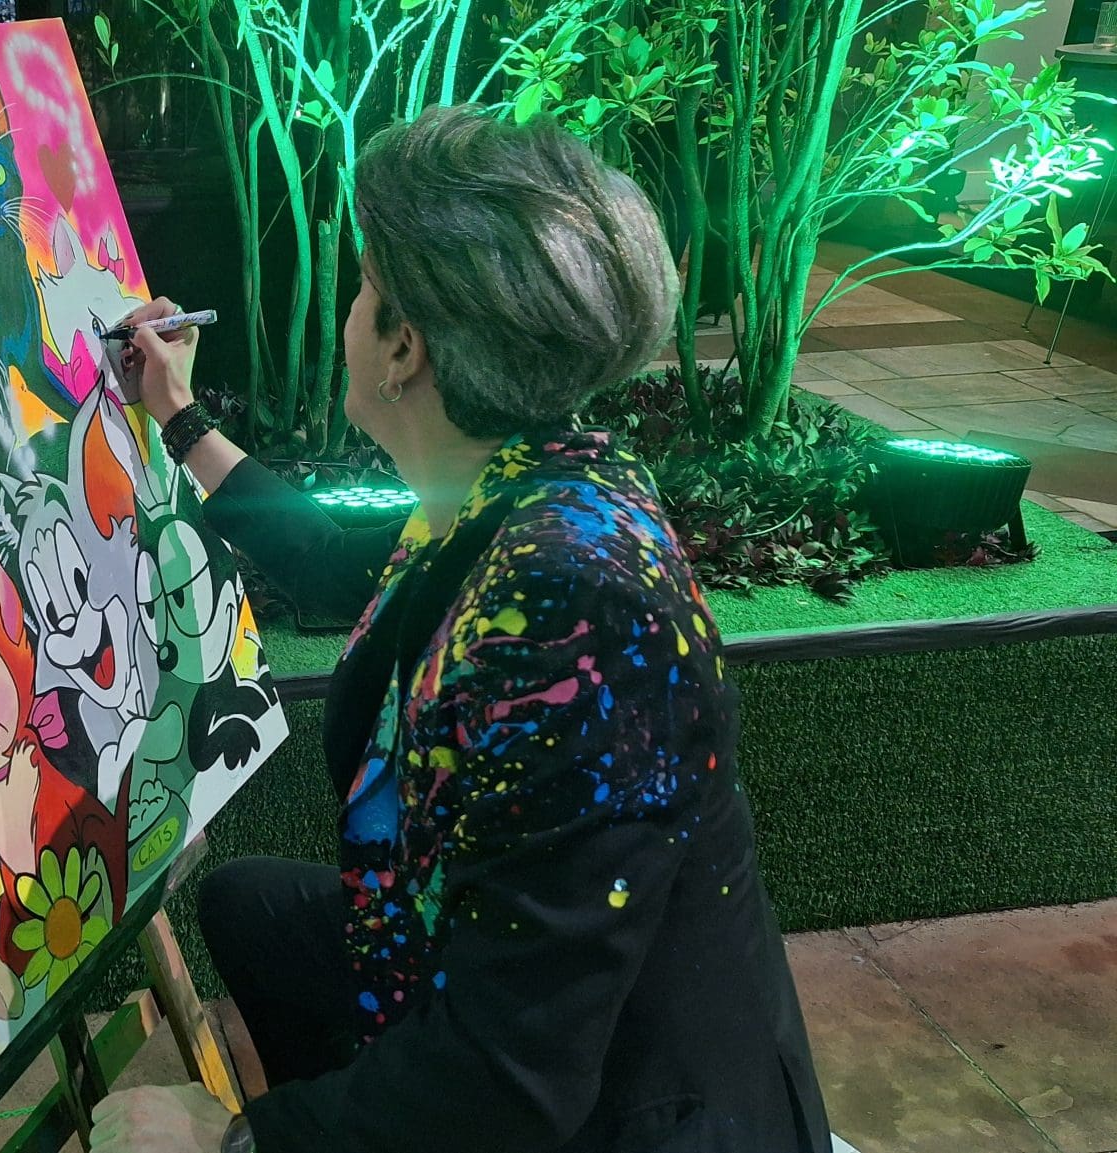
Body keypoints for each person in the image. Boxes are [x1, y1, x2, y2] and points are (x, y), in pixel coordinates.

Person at [88, 105, 834, 1153]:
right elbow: (341, 563)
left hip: (636, 1110)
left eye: (362, 288)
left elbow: (509, 1077)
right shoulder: (522, 475)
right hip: (525, 992)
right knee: (251, 907)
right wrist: (177, 415)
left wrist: (231, 1141)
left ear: (404, 346)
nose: (349, 314)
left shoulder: (573, 613)